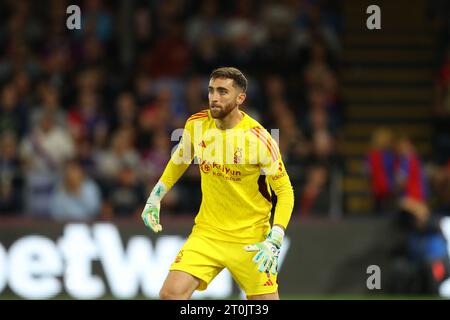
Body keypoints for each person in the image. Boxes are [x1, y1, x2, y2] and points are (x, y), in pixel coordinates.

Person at [141, 67, 294, 300]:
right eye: (211, 90)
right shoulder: (197, 124)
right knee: (170, 294)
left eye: (223, 91)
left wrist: (276, 236)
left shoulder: (259, 139)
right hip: (208, 233)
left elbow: (284, 191)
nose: (214, 97)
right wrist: (156, 196)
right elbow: (179, 160)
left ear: (240, 98)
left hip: (250, 238)